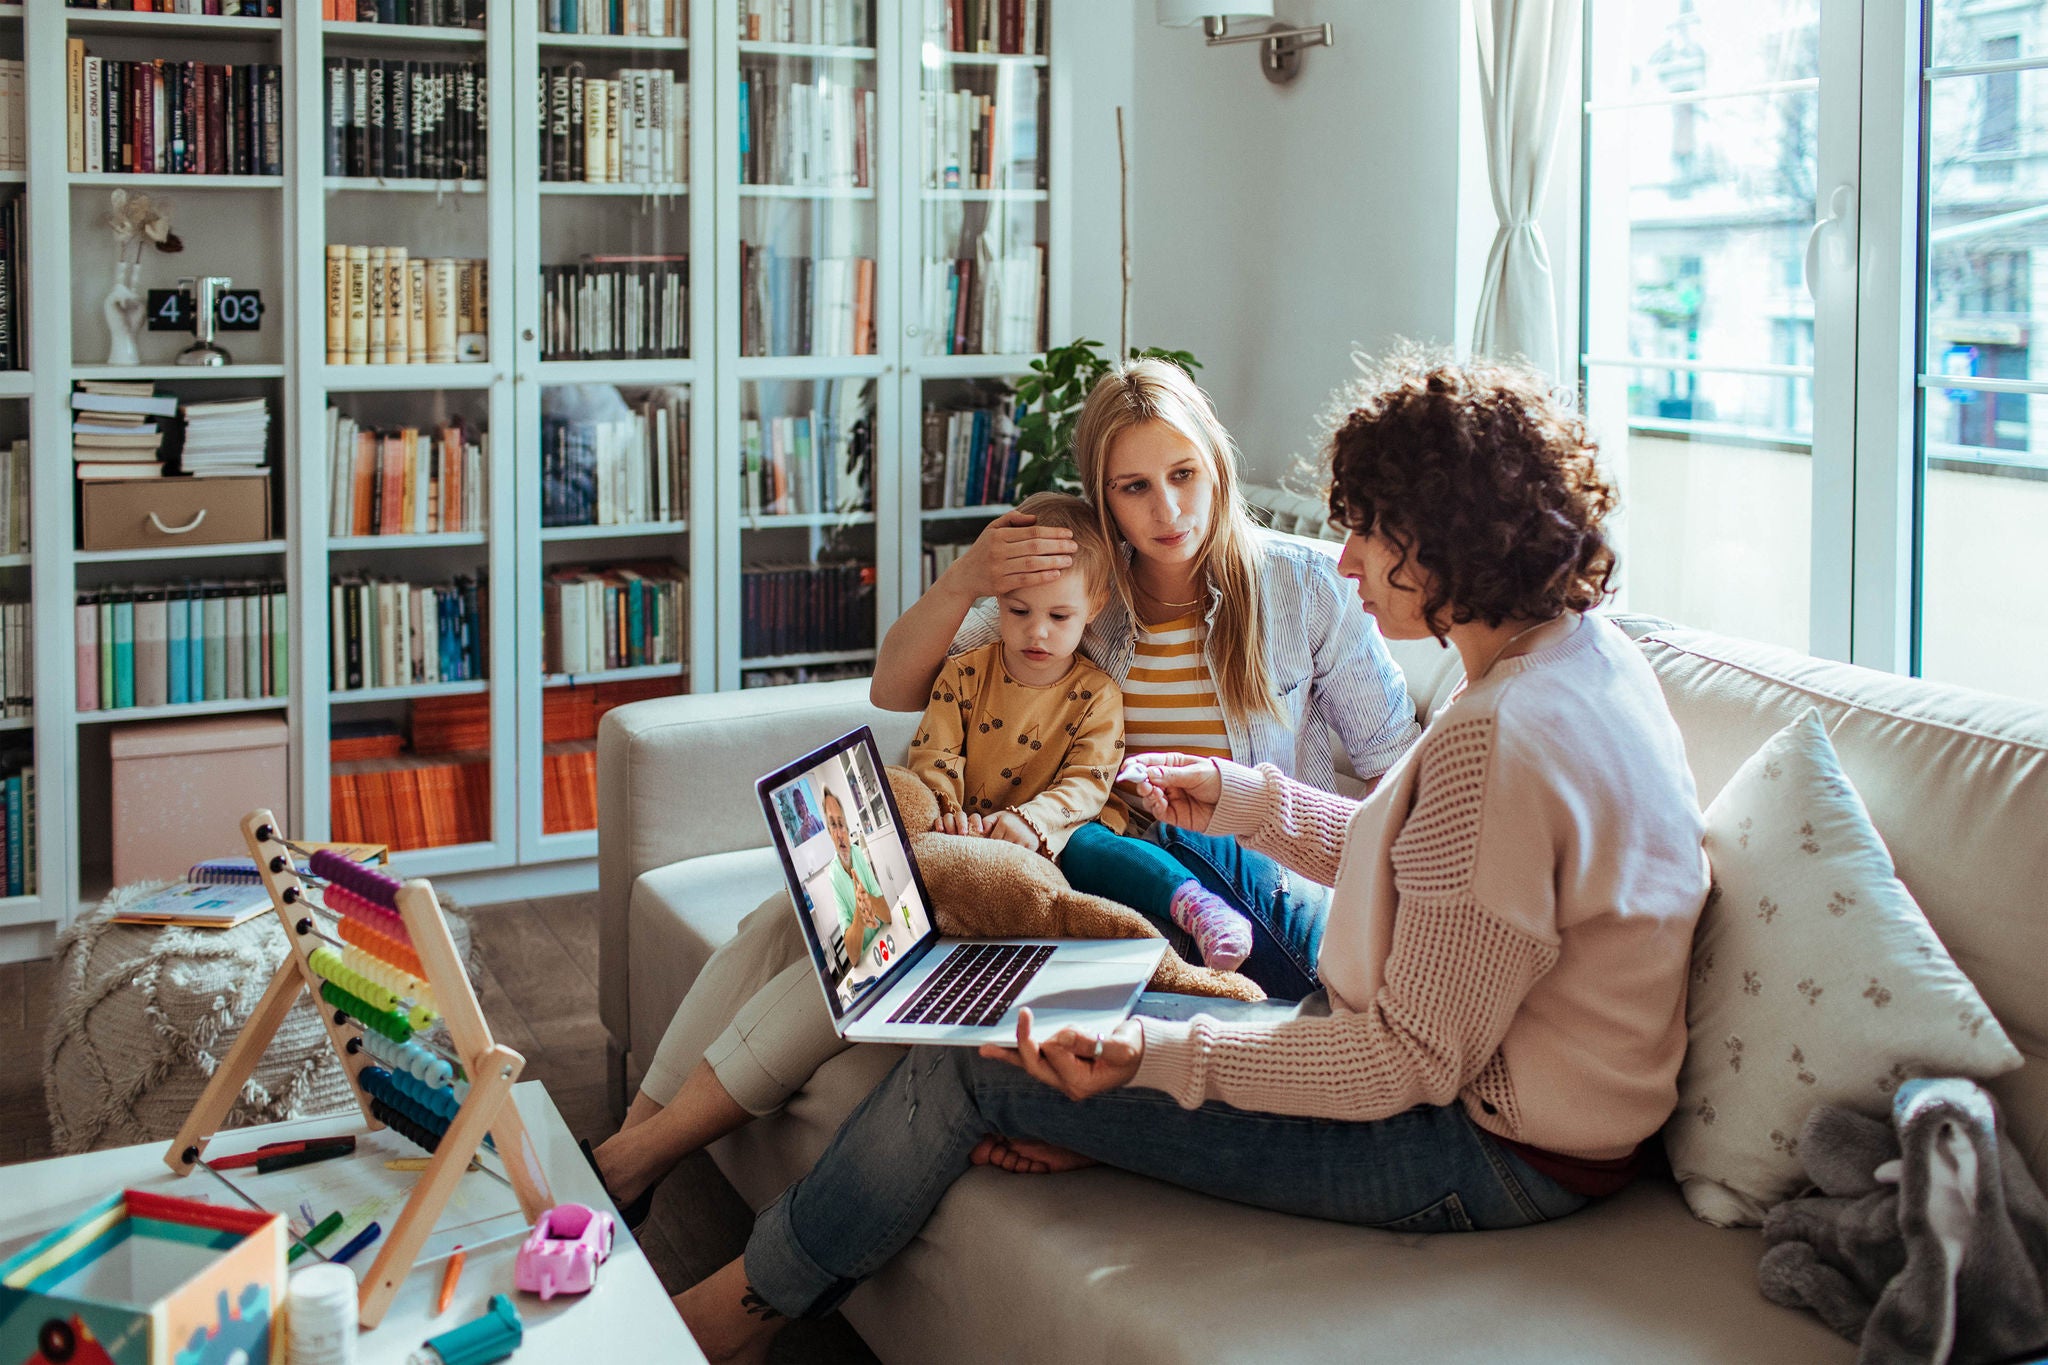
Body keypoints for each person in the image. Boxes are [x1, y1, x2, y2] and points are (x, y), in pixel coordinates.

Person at [673, 351, 1714, 1361]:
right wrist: (1249, 805)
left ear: (1447, 540)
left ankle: (732, 1316)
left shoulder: (1503, 735)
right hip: (1468, 1084)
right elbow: (1434, 873)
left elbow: (1403, 1061)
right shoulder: (1576, 659)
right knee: (1043, 923)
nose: (1343, 561)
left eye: (1367, 534)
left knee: (980, 1058)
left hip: (1477, 1149)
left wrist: (1152, 1057)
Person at [588, 359, 1417, 1215]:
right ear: (1103, 497)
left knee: (876, 931)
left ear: (1217, 463)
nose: (1167, 511)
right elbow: (896, 688)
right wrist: (966, 579)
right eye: (1135, 487)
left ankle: (633, 1160)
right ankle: (632, 1145)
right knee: (800, 911)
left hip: (1210, 902)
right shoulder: (1081, 587)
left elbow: (1399, 769)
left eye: (1183, 475)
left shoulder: (1303, 586)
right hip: (1069, 863)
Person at [910, 490, 1254, 967]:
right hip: (975, 836)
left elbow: (1088, 784)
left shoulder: (1098, 694)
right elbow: (935, 753)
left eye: (1058, 616)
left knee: (1094, 849)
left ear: (1094, 607)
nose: (1037, 632)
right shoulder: (964, 673)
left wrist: (1034, 822)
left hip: (1065, 833)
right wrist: (949, 813)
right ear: (998, 602)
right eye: (1018, 611)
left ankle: (1195, 905)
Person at [817, 786, 888, 964]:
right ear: (829, 833)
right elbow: (854, 957)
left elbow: (887, 915)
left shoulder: (857, 853)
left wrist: (868, 899)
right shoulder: (834, 875)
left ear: (848, 829)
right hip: (868, 960)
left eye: (841, 824)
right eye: (833, 825)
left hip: (885, 942)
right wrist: (859, 909)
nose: (840, 833)